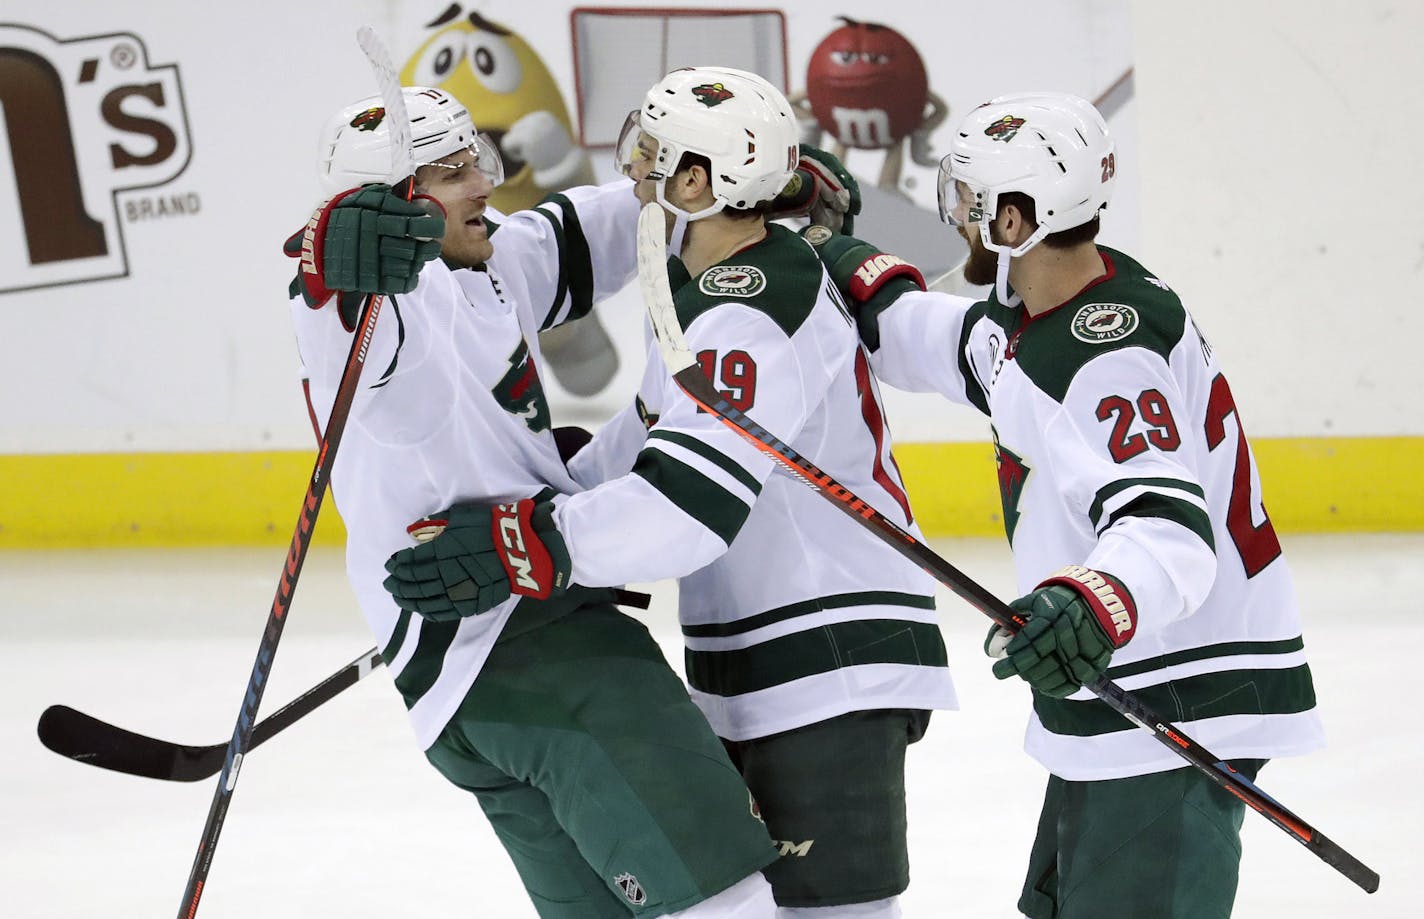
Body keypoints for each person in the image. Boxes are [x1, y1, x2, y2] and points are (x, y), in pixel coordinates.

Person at [383, 68, 958, 918]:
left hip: (827, 650)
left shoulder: (749, 305)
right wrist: (565, 487)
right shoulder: (701, 285)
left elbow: (685, 509)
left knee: (829, 912)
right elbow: (658, 427)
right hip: (763, 648)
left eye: (649, 153)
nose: (633, 167)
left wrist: (531, 538)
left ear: (696, 182)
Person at [808, 92, 1325, 918]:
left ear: (1016, 219)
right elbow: (941, 342)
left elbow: (1168, 528)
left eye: (971, 204)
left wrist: (1094, 601)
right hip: (1143, 681)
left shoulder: (1105, 353)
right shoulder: (1052, 305)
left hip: (1178, 688)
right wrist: (838, 257)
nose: (960, 221)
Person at [288, 85, 781, 917]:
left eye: (474, 158)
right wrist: (333, 259)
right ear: (387, 208)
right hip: (539, 654)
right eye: (451, 172)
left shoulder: (489, 261)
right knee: (723, 901)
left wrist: (749, 179)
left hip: (463, 692)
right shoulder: (391, 306)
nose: (483, 181)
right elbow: (344, 327)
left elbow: (605, 225)